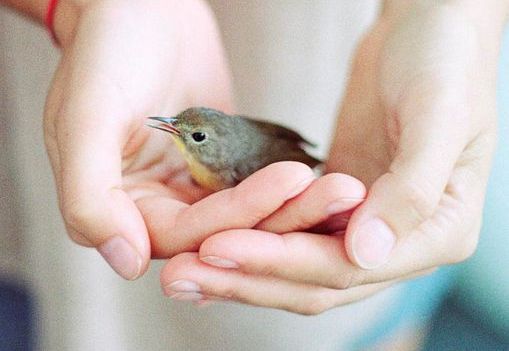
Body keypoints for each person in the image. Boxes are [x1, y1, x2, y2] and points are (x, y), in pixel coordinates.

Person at [0, 0, 507, 350]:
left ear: (213, 147)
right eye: (182, 129)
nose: (176, 133)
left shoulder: (231, 169)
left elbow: (289, 152)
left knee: (357, 307)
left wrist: (449, 12)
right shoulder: (204, 154)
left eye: (190, 135)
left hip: (329, 73)